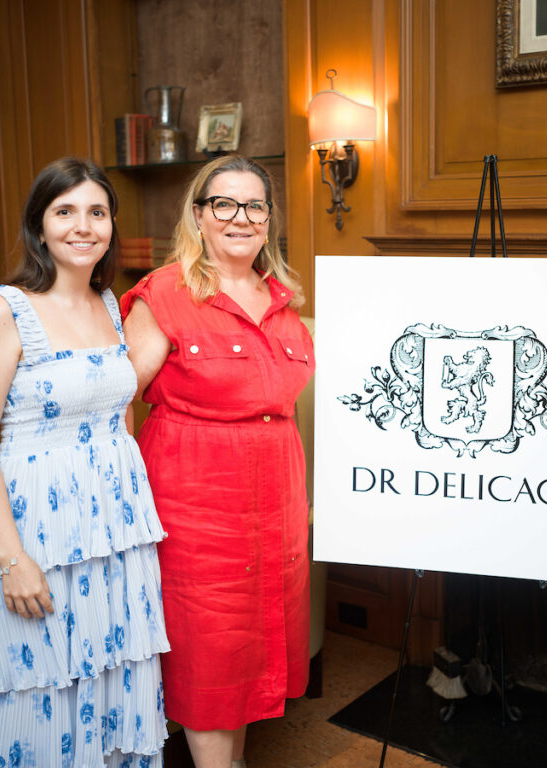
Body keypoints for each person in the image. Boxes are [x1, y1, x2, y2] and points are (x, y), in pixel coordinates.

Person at [0, 157, 170, 767]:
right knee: (37, 691)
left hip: (115, 531)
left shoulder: (110, 303)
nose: (84, 226)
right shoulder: (5, 309)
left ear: (110, 227)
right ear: (40, 225)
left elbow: (117, 412)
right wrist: (12, 560)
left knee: (110, 681)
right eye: (65, 211)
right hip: (36, 533)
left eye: (97, 212)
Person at [121, 155, 314, 768]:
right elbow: (116, 403)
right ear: (199, 216)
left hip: (274, 505)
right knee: (209, 652)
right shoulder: (166, 292)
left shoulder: (282, 299)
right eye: (224, 204)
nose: (241, 217)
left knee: (250, 651)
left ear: (269, 220)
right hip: (194, 507)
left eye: (254, 205)